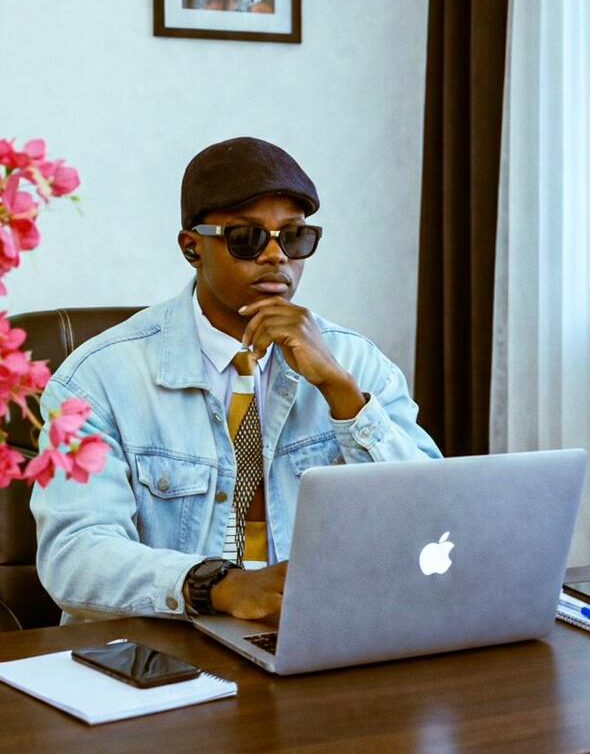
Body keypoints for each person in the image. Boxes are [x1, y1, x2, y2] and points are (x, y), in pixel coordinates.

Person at [31, 136, 441, 625]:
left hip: (317, 633)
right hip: (164, 647)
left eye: (294, 237)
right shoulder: (98, 379)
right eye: (247, 237)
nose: (276, 256)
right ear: (192, 248)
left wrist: (342, 394)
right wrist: (220, 587)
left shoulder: (354, 362)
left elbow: (431, 527)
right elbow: (74, 556)